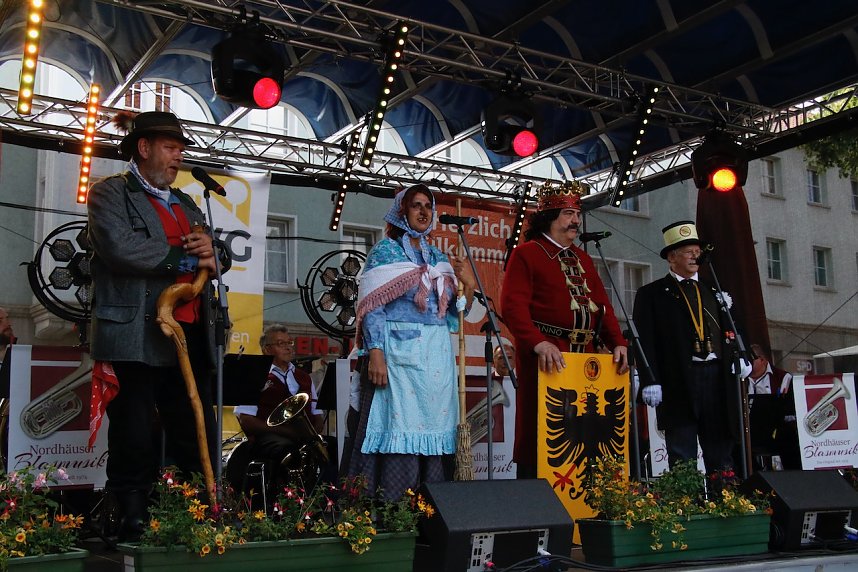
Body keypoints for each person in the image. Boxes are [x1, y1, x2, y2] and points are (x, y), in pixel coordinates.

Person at [87, 111, 220, 541]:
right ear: (143, 148)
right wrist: (184, 259)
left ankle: (194, 508)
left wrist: (213, 252)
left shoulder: (188, 203)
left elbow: (216, 256)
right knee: (134, 429)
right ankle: (130, 514)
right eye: (170, 147)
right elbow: (120, 247)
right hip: (134, 332)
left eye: (180, 149)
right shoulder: (110, 193)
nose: (178, 156)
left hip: (188, 334)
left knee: (194, 427)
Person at [347, 184, 475, 500]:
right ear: (401, 211)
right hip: (397, 355)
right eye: (416, 205)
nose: (423, 211)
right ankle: (392, 506)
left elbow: (456, 314)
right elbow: (371, 306)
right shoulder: (385, 252)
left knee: (432, 430)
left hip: (436, 360)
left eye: (428, 206)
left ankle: (431, 509)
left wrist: (468, 285)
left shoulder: (439, 258)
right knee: (397, 426)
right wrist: (375, 352)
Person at [500, 180, 628, 479]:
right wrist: (538, 343)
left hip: (586, 358)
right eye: (569, 214)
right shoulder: (527, 253)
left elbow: (603, 307)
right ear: (549, 217)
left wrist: (618, 342)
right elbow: (513, 307)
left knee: (585, 429)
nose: (576, 221)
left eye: (577, 214)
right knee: (544, 429)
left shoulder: (583, 258)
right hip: (547, 355)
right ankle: (537, 493)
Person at [633, 220, 748, 475]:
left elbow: (735, 326)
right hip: (678, 379)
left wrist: (742, 355)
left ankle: (723, 494)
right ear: (672, 257)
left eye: (697, 251)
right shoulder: (652, 294)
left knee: (720, 448)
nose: (695, 256)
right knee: (682, 450)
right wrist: (650, 379)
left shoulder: (713, 289)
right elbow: (645, 340)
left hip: (717, 376)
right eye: (688, 252)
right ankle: (686, 497)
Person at [233, 325, 325, 487]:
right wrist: (286, 432)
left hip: (304, 436)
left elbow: (317, 414)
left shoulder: (304, 377)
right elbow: (246, 420)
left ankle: (327, 496)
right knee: (288, 451)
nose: (288, 347)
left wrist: (313, 436)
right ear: (267, 349)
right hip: (270, 437)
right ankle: (284, 495)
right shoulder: (254, 375)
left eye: (289, 342)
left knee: (333, 447)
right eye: (281, 343)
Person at [746, 343, 800, 470]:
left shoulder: (783, 378)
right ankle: (755, 476)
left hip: (775, 429)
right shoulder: (739, 379)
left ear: (762, 360)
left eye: (749, 360)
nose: (746, 364)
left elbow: (791, 410)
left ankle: (794, 474)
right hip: (748, 430)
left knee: (789, 437)